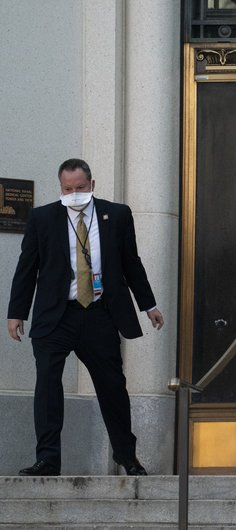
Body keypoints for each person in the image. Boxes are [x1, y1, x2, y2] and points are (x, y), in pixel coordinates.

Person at [7, 159, 164, 477]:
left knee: (112, 387)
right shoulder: (43, 217)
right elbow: (27, 268)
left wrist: (149, 305)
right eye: (67, 189)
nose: (74, 194)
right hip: (55, 317)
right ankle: (48, 459)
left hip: (98, 314)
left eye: (80, 188)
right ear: (60, 187)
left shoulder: (117, 215)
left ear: (92, 185)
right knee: (48, 387)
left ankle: (126, 456)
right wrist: (16, 313)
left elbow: (131, 263)